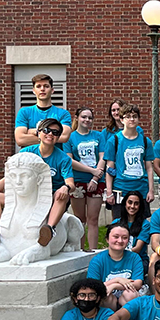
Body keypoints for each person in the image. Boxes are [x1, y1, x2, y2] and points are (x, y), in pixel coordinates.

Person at [0, 119, 75, 248]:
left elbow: (71, 183)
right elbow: (9, 178)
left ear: (58, 137)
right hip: (27, 195)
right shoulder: (25, 153)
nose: (50, 134)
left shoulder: (63, 158)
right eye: (46, 130)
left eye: (55, 132)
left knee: (61, 195)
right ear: (38, 133)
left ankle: (50, 229)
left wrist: (65, 187)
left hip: (49, 196)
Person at [63, 107, 106, 250]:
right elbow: (70, 161)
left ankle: (92, 252)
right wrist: (91, 170)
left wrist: (95, 178)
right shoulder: (69, 138)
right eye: (84, 117)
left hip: (97, 181)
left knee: (93, 219)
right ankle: (79, 251)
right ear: (77, 118)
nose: (87, 120)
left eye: (90, 118)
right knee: (79, 219)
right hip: (78, 182)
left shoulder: (99, 136)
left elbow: (103, 157)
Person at [104, 104, 155, 219]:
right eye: (128, 116)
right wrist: (109, 192)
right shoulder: (114, 140)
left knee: (141, 224)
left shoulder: (145, 141)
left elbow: (149, 168)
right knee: (119, 223)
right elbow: (109, 168)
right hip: (121, 187)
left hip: (141, 188)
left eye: (135, 116)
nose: (132, 119)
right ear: (122, 119)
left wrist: (151, 190)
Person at [87, 223, 144, 311]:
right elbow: (93, 287)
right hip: (108, 301)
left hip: (126, 300)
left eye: (124, 238)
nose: (120, 241)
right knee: (106, 296)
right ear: (107, 239)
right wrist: (117, 280)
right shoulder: (97, 260)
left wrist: (114, 286)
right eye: (116, 237)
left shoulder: (134, 258)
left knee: (131, 294)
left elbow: (138, 283)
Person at [15, 74, 72, 148]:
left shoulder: (63, 114)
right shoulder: (24, 112)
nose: (42, 89)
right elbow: (20, 139)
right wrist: (52, 135)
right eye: (38, 86)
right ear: (34, 91)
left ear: (52, 90)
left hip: (54, 158)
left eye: (46, 86)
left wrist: (33, 132)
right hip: (30, 157)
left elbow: (64, 137)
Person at [112, 190, 151, 271]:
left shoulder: (145, 224)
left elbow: (137, 249)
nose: (132, 206)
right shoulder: (116, 222)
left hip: (138, 260)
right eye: (130, 202)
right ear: (125, 204)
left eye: (136, 204)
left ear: (140, 206)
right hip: (117, 259)